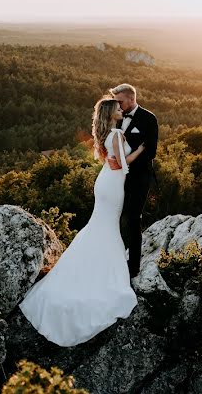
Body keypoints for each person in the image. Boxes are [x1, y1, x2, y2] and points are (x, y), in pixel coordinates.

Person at [19, 97, 145, 347]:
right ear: (111, 113)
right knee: (107, 227)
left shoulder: (106, 134)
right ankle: (104, 270)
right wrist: (140, 150)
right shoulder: (117, 135)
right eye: (118, 108)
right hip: (113, 185)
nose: (122, 110)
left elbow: (111, 161)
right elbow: (122, 164)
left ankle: (86, 266)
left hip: (105, 182)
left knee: (99, 226)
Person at [107, 83, 158, 278]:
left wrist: (127, 163)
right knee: (115, 216)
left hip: (139, 177)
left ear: (131, 98)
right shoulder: (117, 117)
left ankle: (133, 265)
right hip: (116, 178)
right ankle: (115, 257)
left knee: (133, 218)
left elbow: (151, 151)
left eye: (120, 101)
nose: (117, 105)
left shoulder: (149, 119)